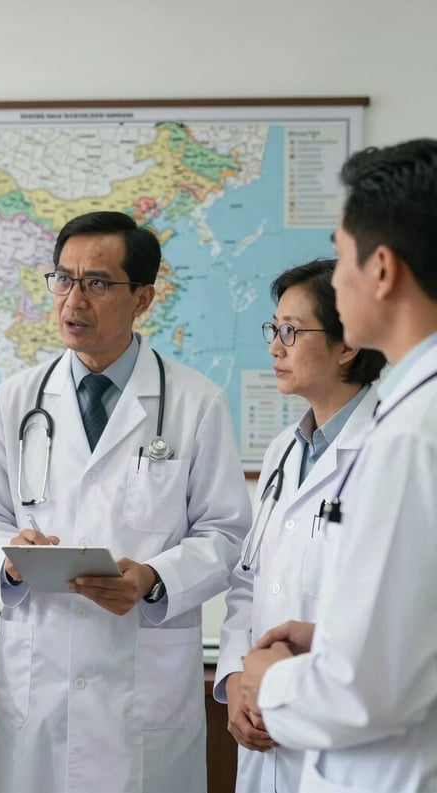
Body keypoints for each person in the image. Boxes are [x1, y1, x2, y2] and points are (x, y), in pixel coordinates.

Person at [0, 210, 251, 793]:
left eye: (96, 283)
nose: (73, 300)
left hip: (143, 684)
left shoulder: (196, 402)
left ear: (143, 298)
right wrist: (8, 556)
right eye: (62, 279)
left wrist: (154, 578)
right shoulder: (15, 399)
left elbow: (227, 533)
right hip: (41, 682)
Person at [241, 138, 437, 792]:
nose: (339, 276)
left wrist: (268, 678)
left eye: (342, 253)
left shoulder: (410, 434)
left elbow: (364, 689)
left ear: (380, 270)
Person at [214, 259, 386, 792]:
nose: (274, 347)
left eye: (291, 331)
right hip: (264, 726)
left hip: (346, 735)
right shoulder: (283, 452)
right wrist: (237, 678)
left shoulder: (391, 450)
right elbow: (249, 580)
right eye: (274, 329)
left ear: (348, 344)